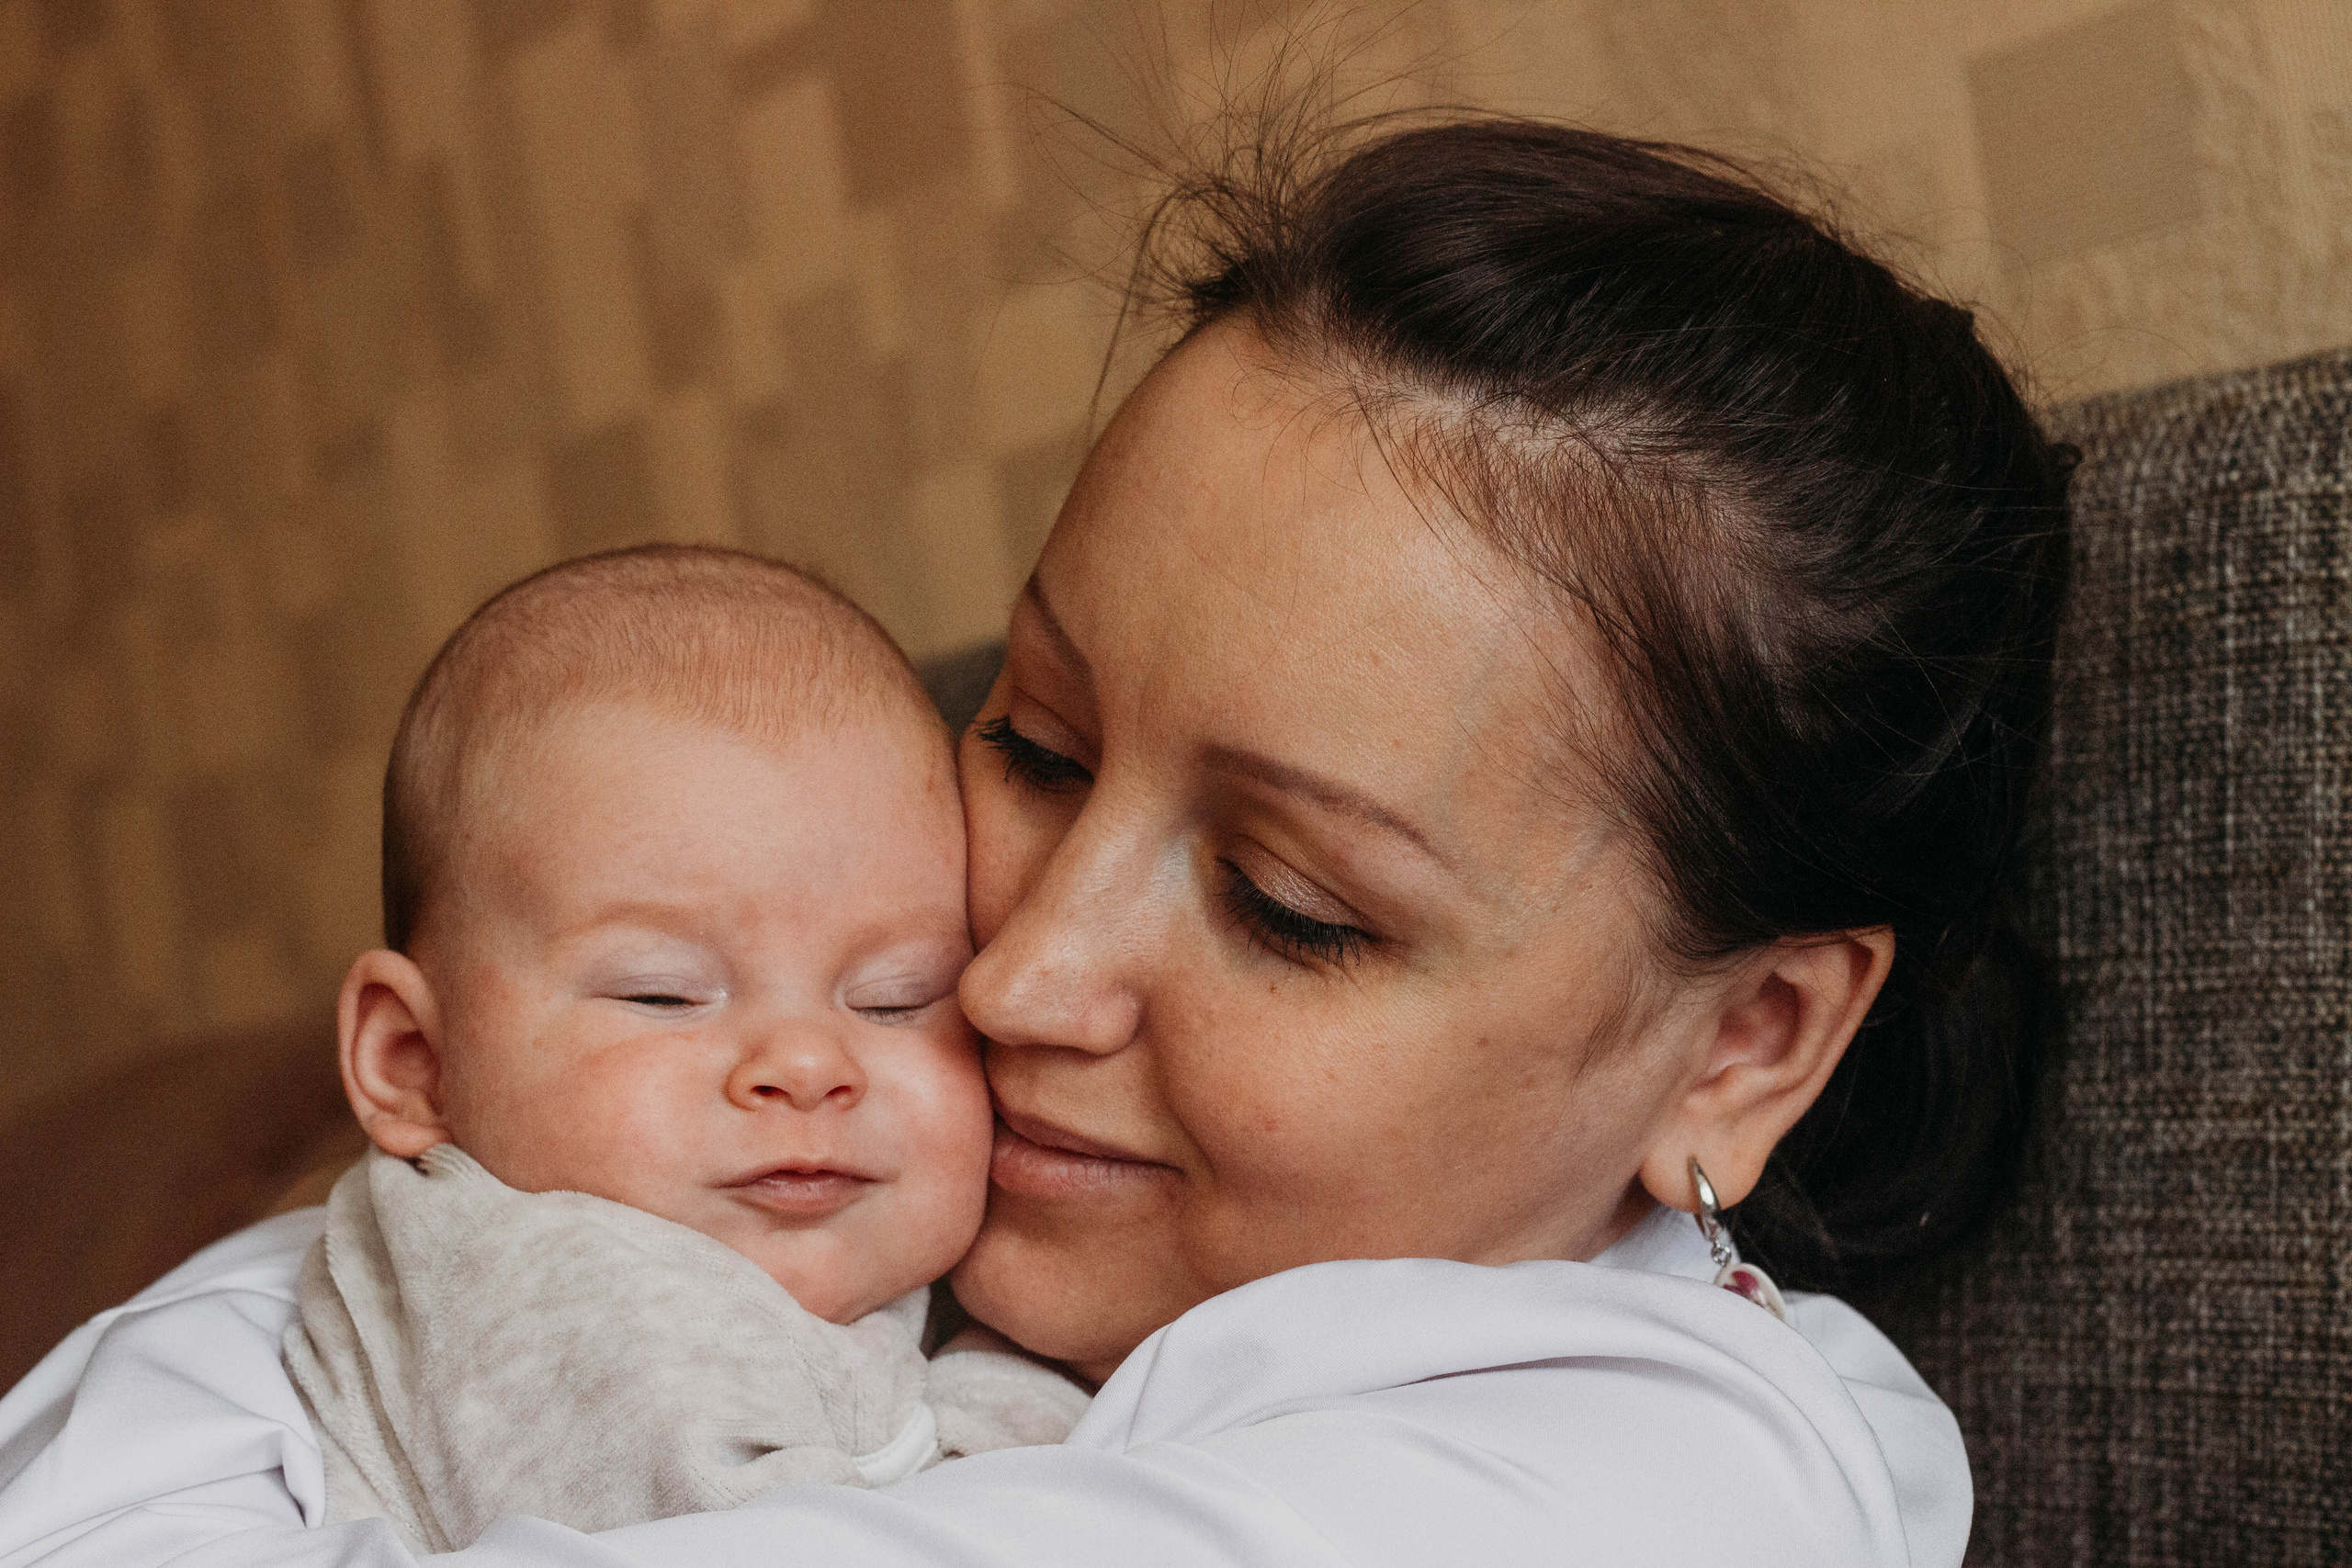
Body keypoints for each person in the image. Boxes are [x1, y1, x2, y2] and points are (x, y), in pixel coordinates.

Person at [0, 117, 2071, 1568]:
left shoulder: (1662, 1479)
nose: (1014, 974)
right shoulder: (792, 1173)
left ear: (1742, 1041)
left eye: (1291, 905)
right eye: (1037, 743)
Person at [0, 548, 1087, 1558]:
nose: (807, 1066)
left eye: (899, 999)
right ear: (413, 1062)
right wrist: (1034, 1390)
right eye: (663, 994)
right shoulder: (567, 1291)